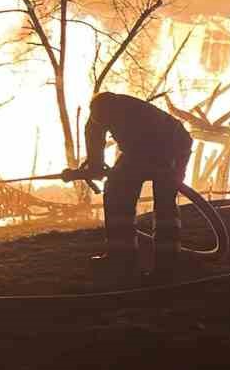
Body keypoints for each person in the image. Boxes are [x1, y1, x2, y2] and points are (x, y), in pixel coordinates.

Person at [63, 92, 193, 280]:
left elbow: (143, 154)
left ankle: (167, 262)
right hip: (137, 149)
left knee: (165, 199)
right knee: (115, 192)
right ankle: (120, 256)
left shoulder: (136, 114)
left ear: (117, 111)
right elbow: (96, 158)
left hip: (173, 145)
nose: (107, 124)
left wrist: (172, 172)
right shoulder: (96, 121)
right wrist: (95, 167)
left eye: (110, 120)